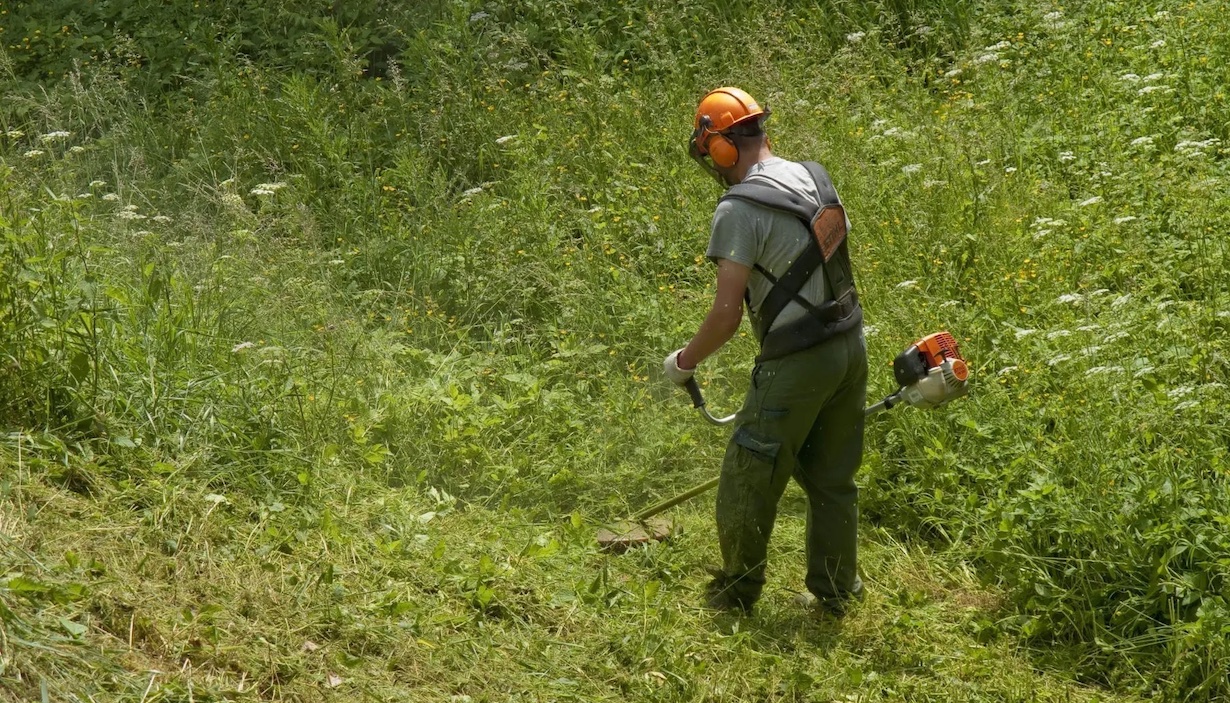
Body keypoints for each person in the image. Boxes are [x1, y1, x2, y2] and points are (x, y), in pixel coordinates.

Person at [662, 86, 868, 616]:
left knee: (748, 475)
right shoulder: (814, 176)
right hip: (848, 344)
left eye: (711, 151)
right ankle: (835, 591)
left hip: (797, 360)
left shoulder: (738, 207)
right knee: (832, 479)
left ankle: (737, 592)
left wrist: (685, 362)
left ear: (723, 148)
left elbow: (727, 314)